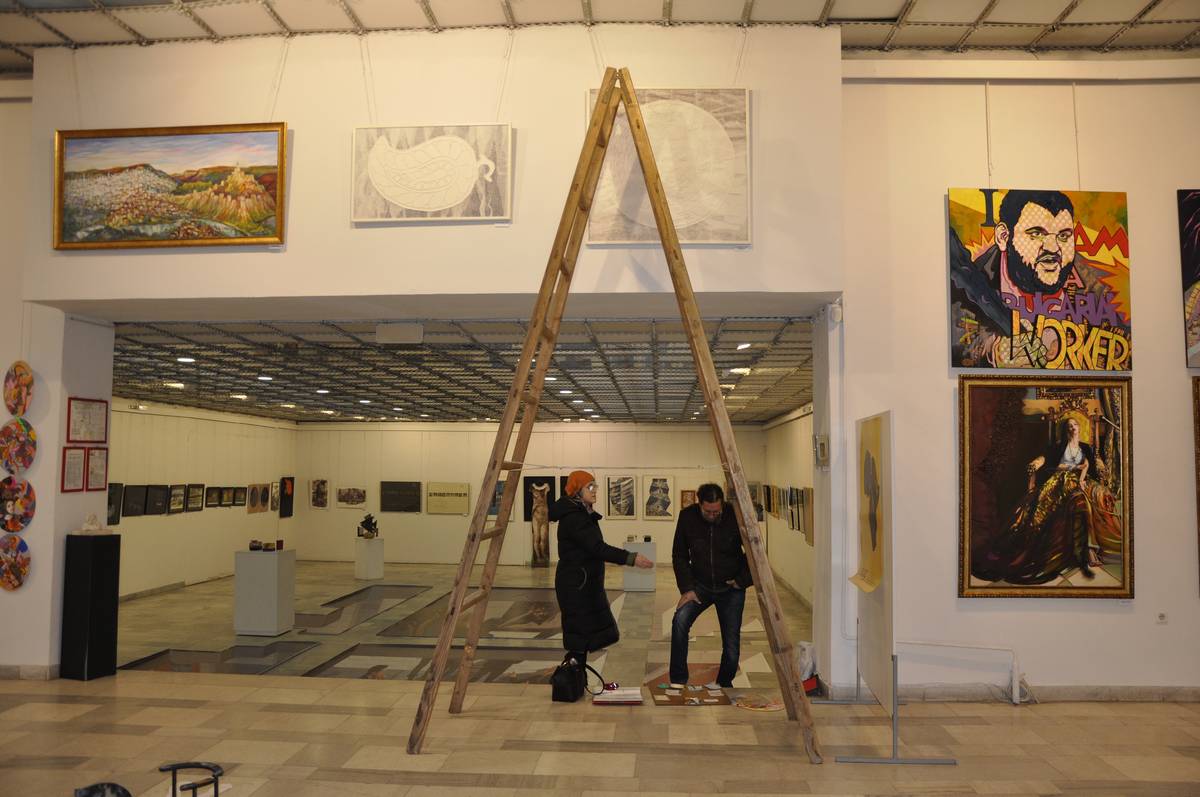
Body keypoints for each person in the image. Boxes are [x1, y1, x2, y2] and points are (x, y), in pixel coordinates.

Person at [972, 417, 1117, 585]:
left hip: (1081, 481)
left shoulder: (1085, 447)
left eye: (1075, 425)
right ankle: (1077, 551)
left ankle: (1091, 549)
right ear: (1066, 430)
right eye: (1069, 426)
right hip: (1060, 480)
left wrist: (1083, 478)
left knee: (1090, 498)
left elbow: (1089, 467)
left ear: (1079, 428)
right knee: (1059, 503)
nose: (1072, 428)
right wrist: (1069, 467)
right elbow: (1050, 461)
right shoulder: (1058, 447)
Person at [551, 469, 653, 670]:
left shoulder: (581, 513)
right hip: (576, 584)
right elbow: (597, 548)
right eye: (589, 487)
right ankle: (571, 679)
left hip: (582, 582)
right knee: (578, 638)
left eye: (595, 486)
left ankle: (577, 678)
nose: (595, 490)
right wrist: (630, 558)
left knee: (582, 636)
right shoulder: (574, 517)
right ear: (577, 491)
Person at [669, 483, 752, 688]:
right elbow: (679, 555)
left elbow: (755, 552)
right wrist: (687, 588)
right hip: (700, 587)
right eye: (708, 511)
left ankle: (723, 683)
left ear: (722, 504)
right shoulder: (687, 517)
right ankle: (678, 680)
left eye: (717, 511)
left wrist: (741, 580)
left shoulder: (735, 515)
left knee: (731, 644)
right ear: (700, 504)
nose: (713, 515)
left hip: (731, 588)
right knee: (679, 622)